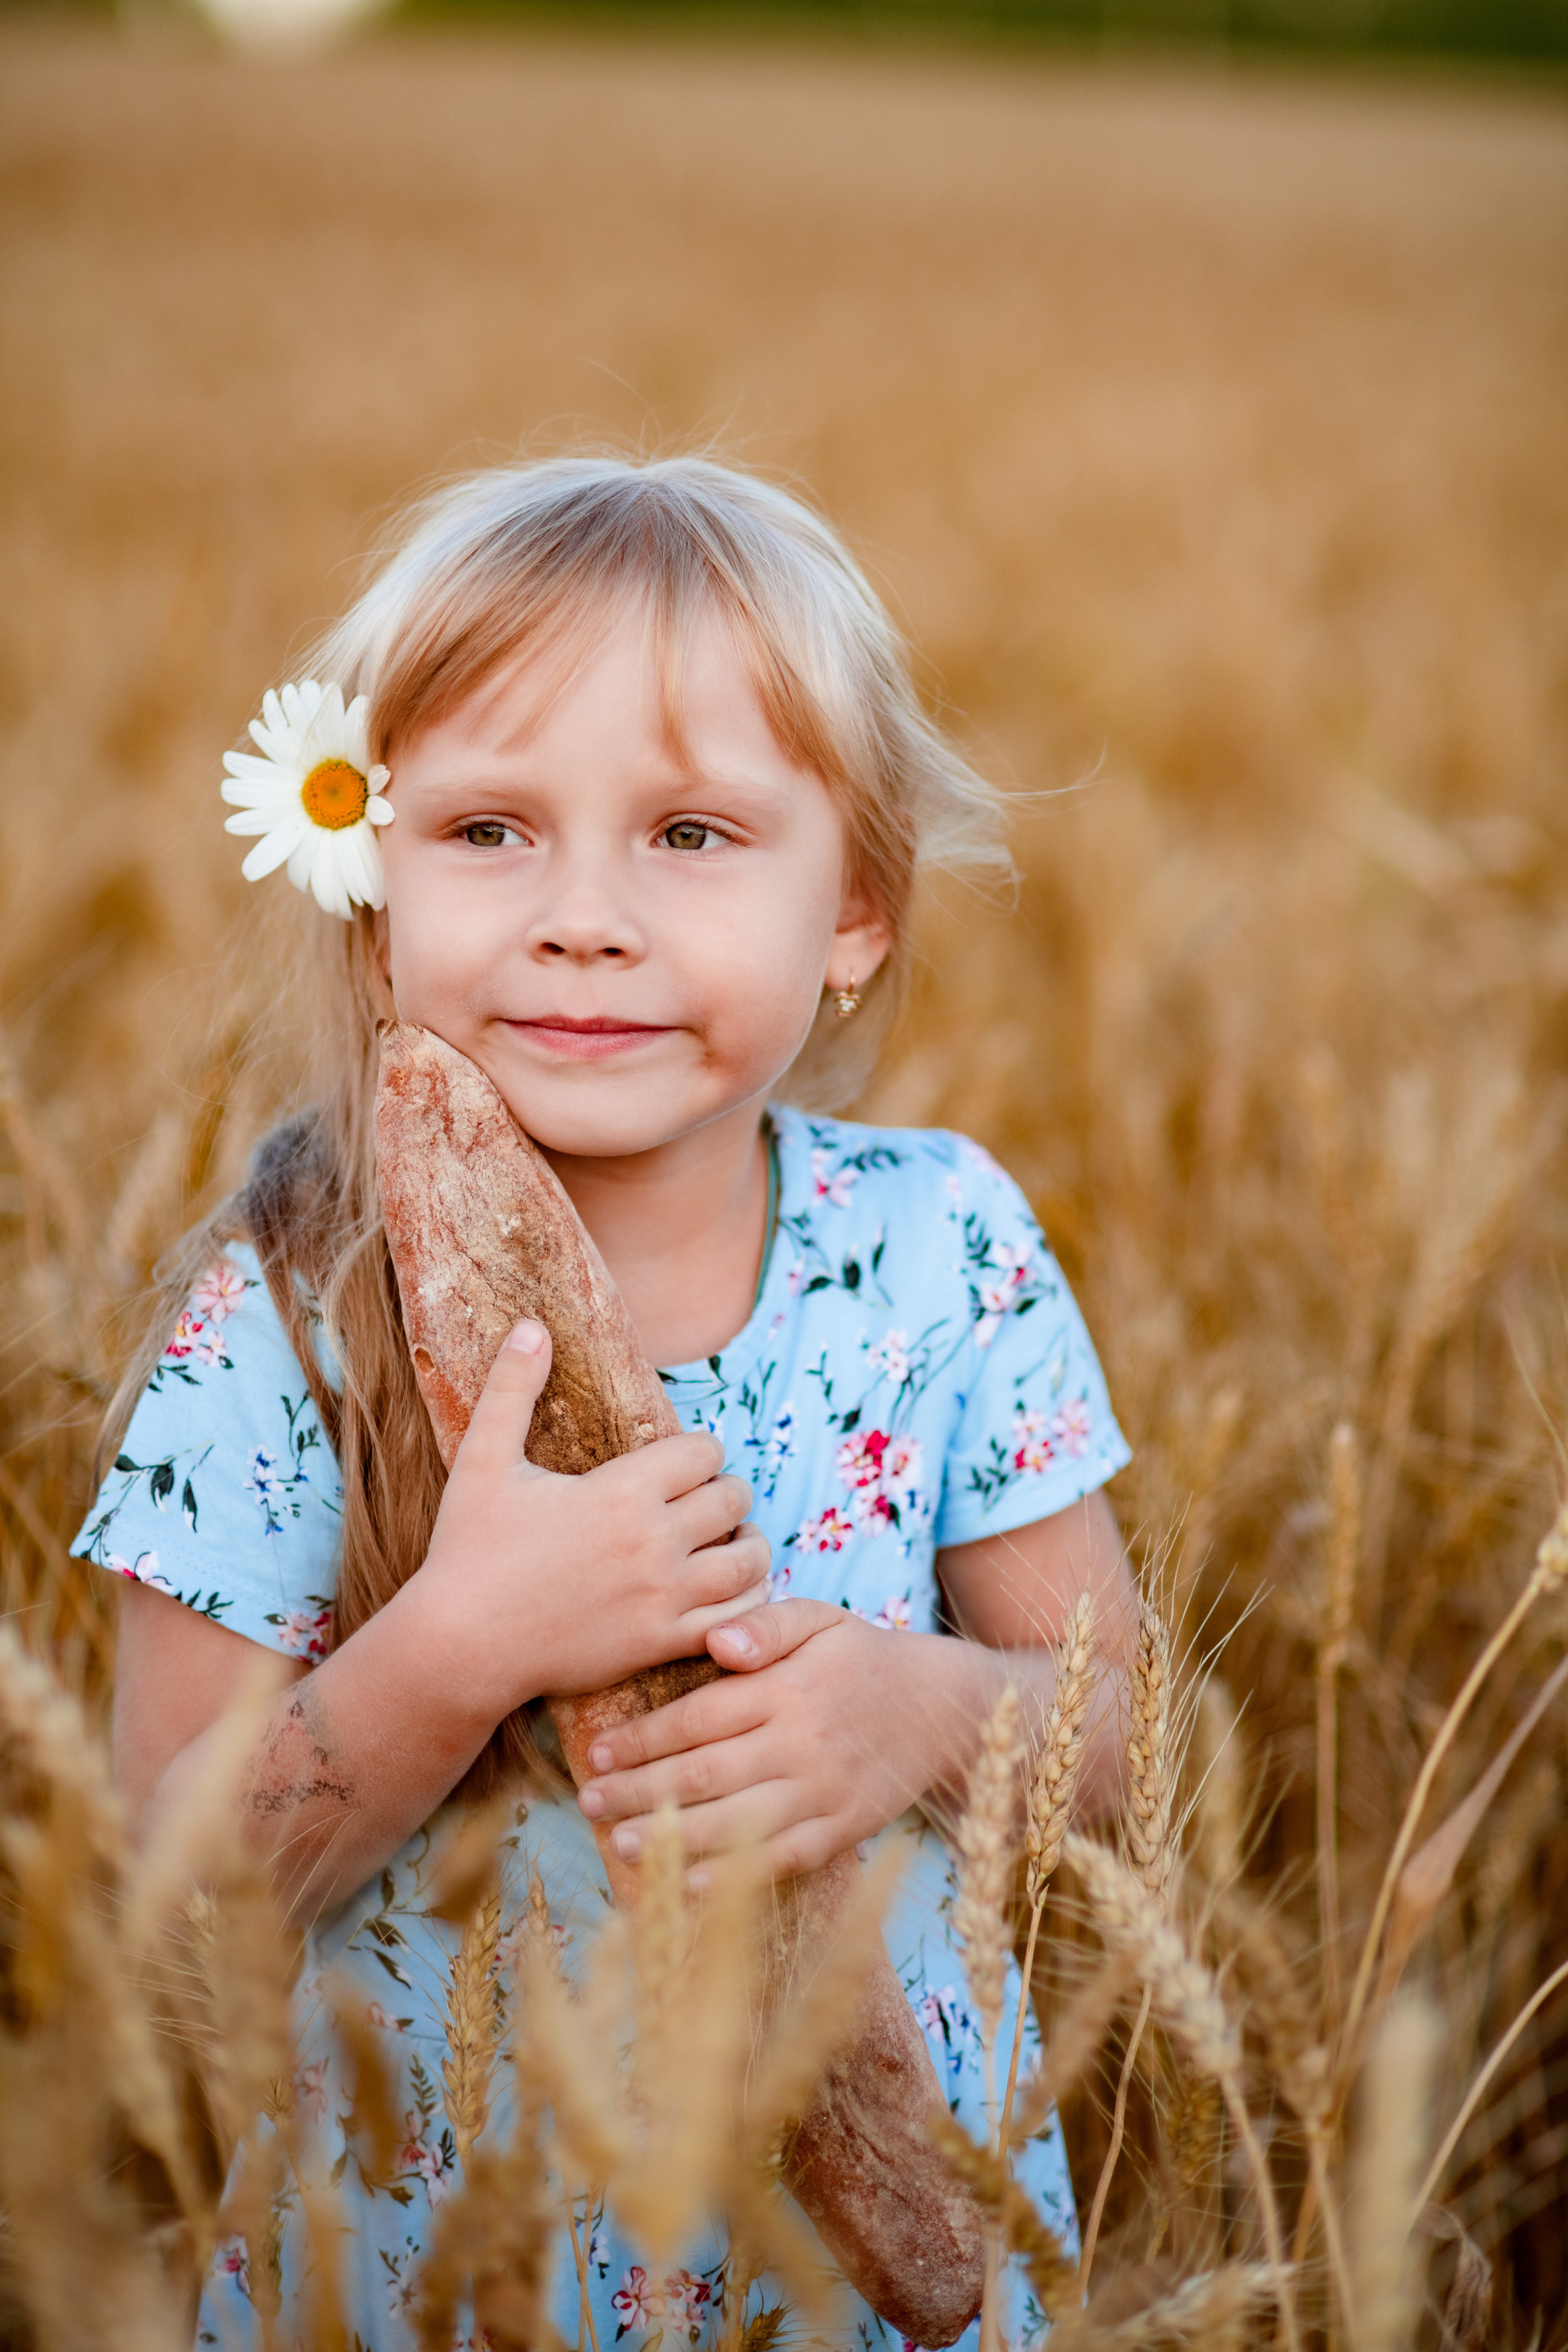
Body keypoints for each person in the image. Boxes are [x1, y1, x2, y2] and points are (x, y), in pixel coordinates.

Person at [77, 454, 1137, 2350]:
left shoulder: (939, 1256)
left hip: (864, 2270)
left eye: (694, 837)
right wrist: (460, 1644)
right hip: (430, 2268)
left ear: (857, 913)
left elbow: (1128, 1734)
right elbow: (166, 1918)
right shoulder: (287, 1313)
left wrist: (921, 1711)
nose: (584, 916)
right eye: (487, 830)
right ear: (367, 883)